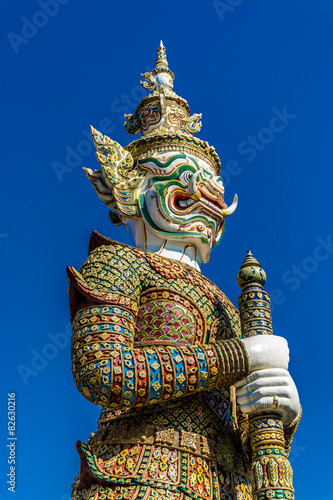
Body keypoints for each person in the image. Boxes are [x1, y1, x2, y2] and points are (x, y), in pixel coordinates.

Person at [68, 43, 300, 500]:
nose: (208, 192)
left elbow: (242, 424)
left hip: (227, 485)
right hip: (138, 475)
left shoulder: (229, 309)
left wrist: (281, 412)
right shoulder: (119, 262)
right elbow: (102, 370)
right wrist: (242, 357)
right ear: (132, 190)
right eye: (184, 175)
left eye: (212, 182)